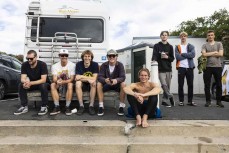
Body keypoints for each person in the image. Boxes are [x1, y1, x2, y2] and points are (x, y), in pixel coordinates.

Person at [14, 50, 50, 115]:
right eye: (27, 58)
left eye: (31, 58)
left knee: (43, 85)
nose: (29, 60)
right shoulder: (25, 65)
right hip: (32, 84)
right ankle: (24, 106)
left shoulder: (42, 64)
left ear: (36, 57)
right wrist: (25, 82)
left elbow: (43, 80)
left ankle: (44, 106)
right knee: (21, 85)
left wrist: (30, 83)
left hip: (43, 84)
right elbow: (22, 78)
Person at [97, 49, 126, 116]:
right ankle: (101, 106)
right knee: (98, 84)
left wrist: (116, 80)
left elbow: (123, 77)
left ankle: (121, 106)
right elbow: (100, 77)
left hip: (116, 85)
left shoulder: (120, 65)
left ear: (116, 56)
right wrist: (105, 80)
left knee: (123, 84)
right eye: (110, 56)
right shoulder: (104, 65)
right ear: (107, 57)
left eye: (113, 55)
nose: (111, 57)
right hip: (106, 85)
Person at [152, 31, 175, 107]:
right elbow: (154, 55)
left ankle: (164, 101)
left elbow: (172, 58)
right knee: (164, 85)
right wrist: (154, 60)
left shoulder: (170, 47)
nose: (164, 36)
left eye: (165, 35)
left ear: (167, 37)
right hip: (160, 69)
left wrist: (167, 57)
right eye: (163, 35)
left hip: (168, 69)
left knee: (167, 86)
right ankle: (171, 96)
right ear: (160, 36)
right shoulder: (157, 46)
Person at [202, 30, 224, 108]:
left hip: (217, 67)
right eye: (209, 35)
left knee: (219, 84)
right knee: (207, 85)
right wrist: (215, 52)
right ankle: (208, 101)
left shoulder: (219, 44)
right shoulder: (204, 45)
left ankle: (219, 101)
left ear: (214, 36)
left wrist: (209, 54)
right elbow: (204, 54)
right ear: (207, 36)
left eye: (212, 35)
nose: (210, 36)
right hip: (207, 67)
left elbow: (221, 54)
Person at [50, 49, 75, 115]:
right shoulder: (54, 66)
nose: (64, 57)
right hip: (59, 83)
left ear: (67, 56)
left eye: (65, 55)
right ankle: (57, 106)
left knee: (70, 84)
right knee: (52, 85)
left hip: (67, 83)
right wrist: (57, 81)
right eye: (62, 55)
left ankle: (67, 106)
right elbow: (54, 78)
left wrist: (63, 82)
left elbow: (72, 79)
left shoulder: (72, 65)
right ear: (59, 56)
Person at [175, 32, 196, 106]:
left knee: (190, 84)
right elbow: (178, 57)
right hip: (181, 67)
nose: (183, 37)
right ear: (180, 37)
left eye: (184, 36)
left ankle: (190, 101)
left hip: (189, 67)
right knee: (180, 85)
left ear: (186, 37)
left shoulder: (191, 46)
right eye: (182, 36)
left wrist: (183, 54)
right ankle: (181, 101)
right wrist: (188, 55)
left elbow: (193, 55)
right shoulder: (177, 47)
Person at [75, 50, 99, 115]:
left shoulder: (95, 64)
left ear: (91, 57)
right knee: (77, 83)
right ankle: (81, 106)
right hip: (83, 84)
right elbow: (77, 78)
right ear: (83, 57)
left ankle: (91, 106)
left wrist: (81, 76)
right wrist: (88, 79)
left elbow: (94, 78)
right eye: (85, 56)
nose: (87, 58)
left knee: (94, 83)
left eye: (89, 56)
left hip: (91, 85)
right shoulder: (79, 64)